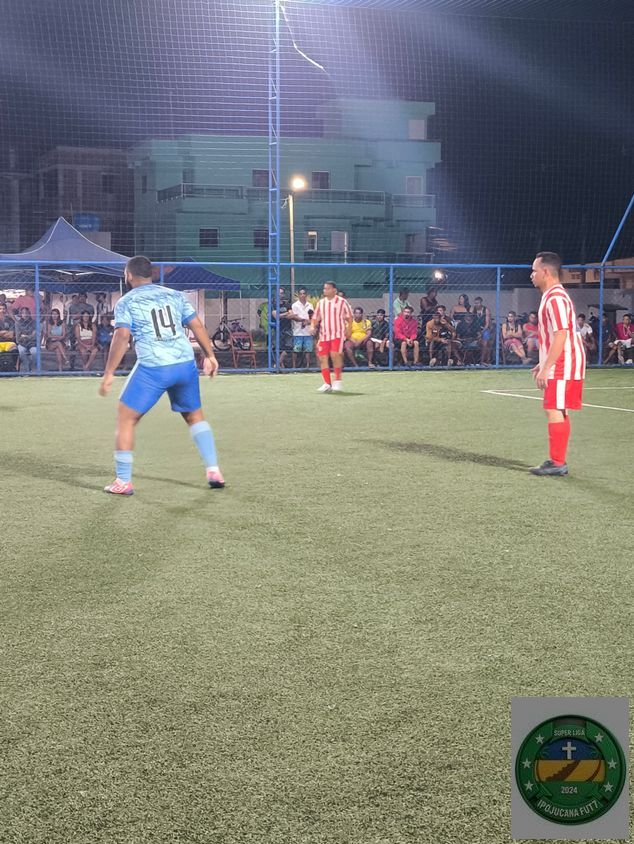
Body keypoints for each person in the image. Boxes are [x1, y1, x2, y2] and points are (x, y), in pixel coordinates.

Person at [99, 255, 223, 495]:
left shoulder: (127, 301)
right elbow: (197, 325)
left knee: (126, 417)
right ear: (152, 274)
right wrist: (210, 356)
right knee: (195, 417)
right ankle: (213, 469)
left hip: (154, 368)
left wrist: (109, 372)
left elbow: (122, 337)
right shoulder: (175, 295)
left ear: (129, 275)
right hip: (185, 364)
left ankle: (123, 481)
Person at [529, 251, 585, 476]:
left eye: (534, 271)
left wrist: (546, 366)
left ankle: (558, 462)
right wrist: (542, 362)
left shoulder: (556, 298)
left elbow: (561, 333)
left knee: (553, 408)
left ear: (545, 271)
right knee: (558, 408)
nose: (531, 275)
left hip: (563, 363)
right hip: (562, 361)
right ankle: (557, 460)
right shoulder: (552, 296)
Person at [310, 281, 353, 392]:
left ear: (334, 290)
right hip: (324, 335)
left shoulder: (342, 302)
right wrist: (312, 326)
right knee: (322, 357)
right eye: (324, 289)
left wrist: (349, 330)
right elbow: (315, 317)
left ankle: (337, 380)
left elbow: (349, 317)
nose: (325, 291)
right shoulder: (321, 303)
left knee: (335, 354)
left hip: (337, 334)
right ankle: (327, 383)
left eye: (328, 289)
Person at [290, 287, 314, 368]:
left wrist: (307, 322)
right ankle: (294, 367)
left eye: (304, 293)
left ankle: (307, 366)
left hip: (308, 331)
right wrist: (303, 320)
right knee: (296, 350)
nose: (302, 295)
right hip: (298, 331)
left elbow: (312, 317)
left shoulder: (310, 305)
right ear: (298, 295)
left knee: (308, 350)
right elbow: (294, 317)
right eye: (301, 294)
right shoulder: (295, 305)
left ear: (306, 295)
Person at [14, 307, 37, 372]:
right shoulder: (18, 323)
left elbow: (35, 336)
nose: (25, 314)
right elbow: (18, 337)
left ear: (29, 313)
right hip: (22, 343)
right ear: (21, 314)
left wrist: (25, 336)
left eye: (26, 313)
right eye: (23, 313)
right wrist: (30, 336)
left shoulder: (34, 322)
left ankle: (31, 366)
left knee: (35, 352)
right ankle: (27, 368)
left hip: (32, 343)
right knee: (21, 351)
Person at [472, 296, 492, 365]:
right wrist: (477, 332)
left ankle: (483, 360)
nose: (476, 304)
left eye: (478, 303)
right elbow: (472, 322)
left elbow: (487, 323)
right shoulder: (473, 310)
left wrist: (482, 332)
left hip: (484, 328)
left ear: (481, 303)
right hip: (476, 329)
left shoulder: (486, 310)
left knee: (485, 343)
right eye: (475, 303)